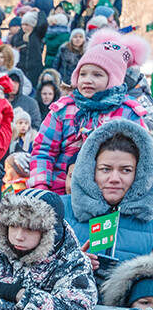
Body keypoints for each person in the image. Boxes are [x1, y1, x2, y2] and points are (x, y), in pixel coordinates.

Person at [29, 29, 150, 193]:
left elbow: (143, 157)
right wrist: (41, 187)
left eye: (97, 75)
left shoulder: (128, 113)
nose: (87, 80)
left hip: (109, 196)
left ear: (113, 79)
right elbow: (44, 150)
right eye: (83, 74)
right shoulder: (64, 110)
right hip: (62, 192)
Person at [69, 119, 153, 269]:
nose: (114, 179)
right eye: (105, 169)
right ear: (90, 170)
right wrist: (69, 265)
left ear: (140, 174)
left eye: (126, 170)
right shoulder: (60, 212)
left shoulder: (149, 221)